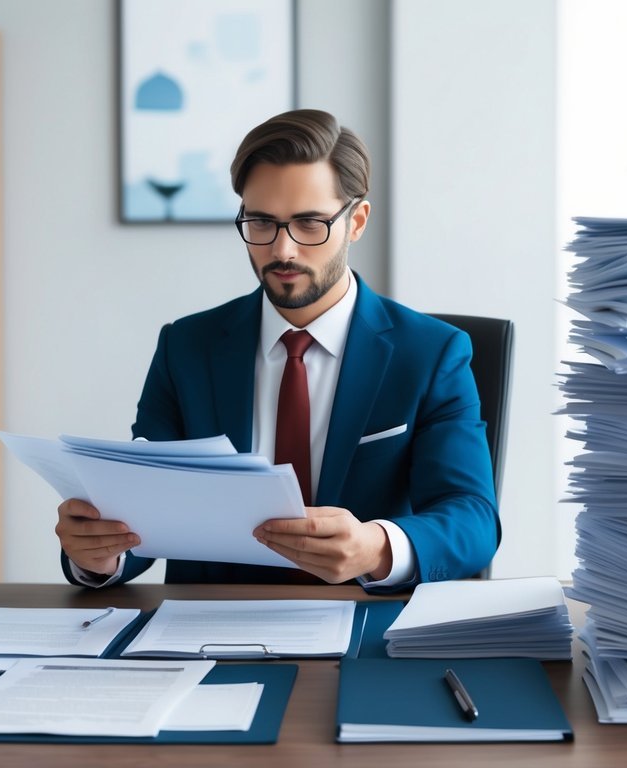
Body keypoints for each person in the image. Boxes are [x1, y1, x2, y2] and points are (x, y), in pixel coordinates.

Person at [57, 109, 499, 592]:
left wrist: (376, 546)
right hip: (206, 631)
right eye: (262, 222)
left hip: (363, 625)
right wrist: (99, 557)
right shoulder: (186, 347)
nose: (283, 250)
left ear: (356, 222)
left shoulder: (431, 353)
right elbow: (146, 510)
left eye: (310, 224)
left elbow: (473, 518)